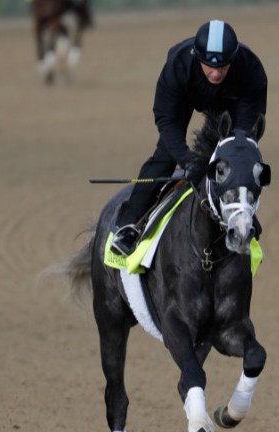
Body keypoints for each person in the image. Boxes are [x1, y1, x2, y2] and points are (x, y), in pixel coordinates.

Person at [110, 19, 268, 256]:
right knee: (164, 157)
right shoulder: (178, 65)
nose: (215, 73)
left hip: (233, 104)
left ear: (234, 61)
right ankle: (128, 224)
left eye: (223, 66)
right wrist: (187, 160)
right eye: (209, 66)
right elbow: (167, 120)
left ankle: (244, 218)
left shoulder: (251, 70)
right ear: (196, 57)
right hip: (186, 98)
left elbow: (244, 134)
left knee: (237, 162)